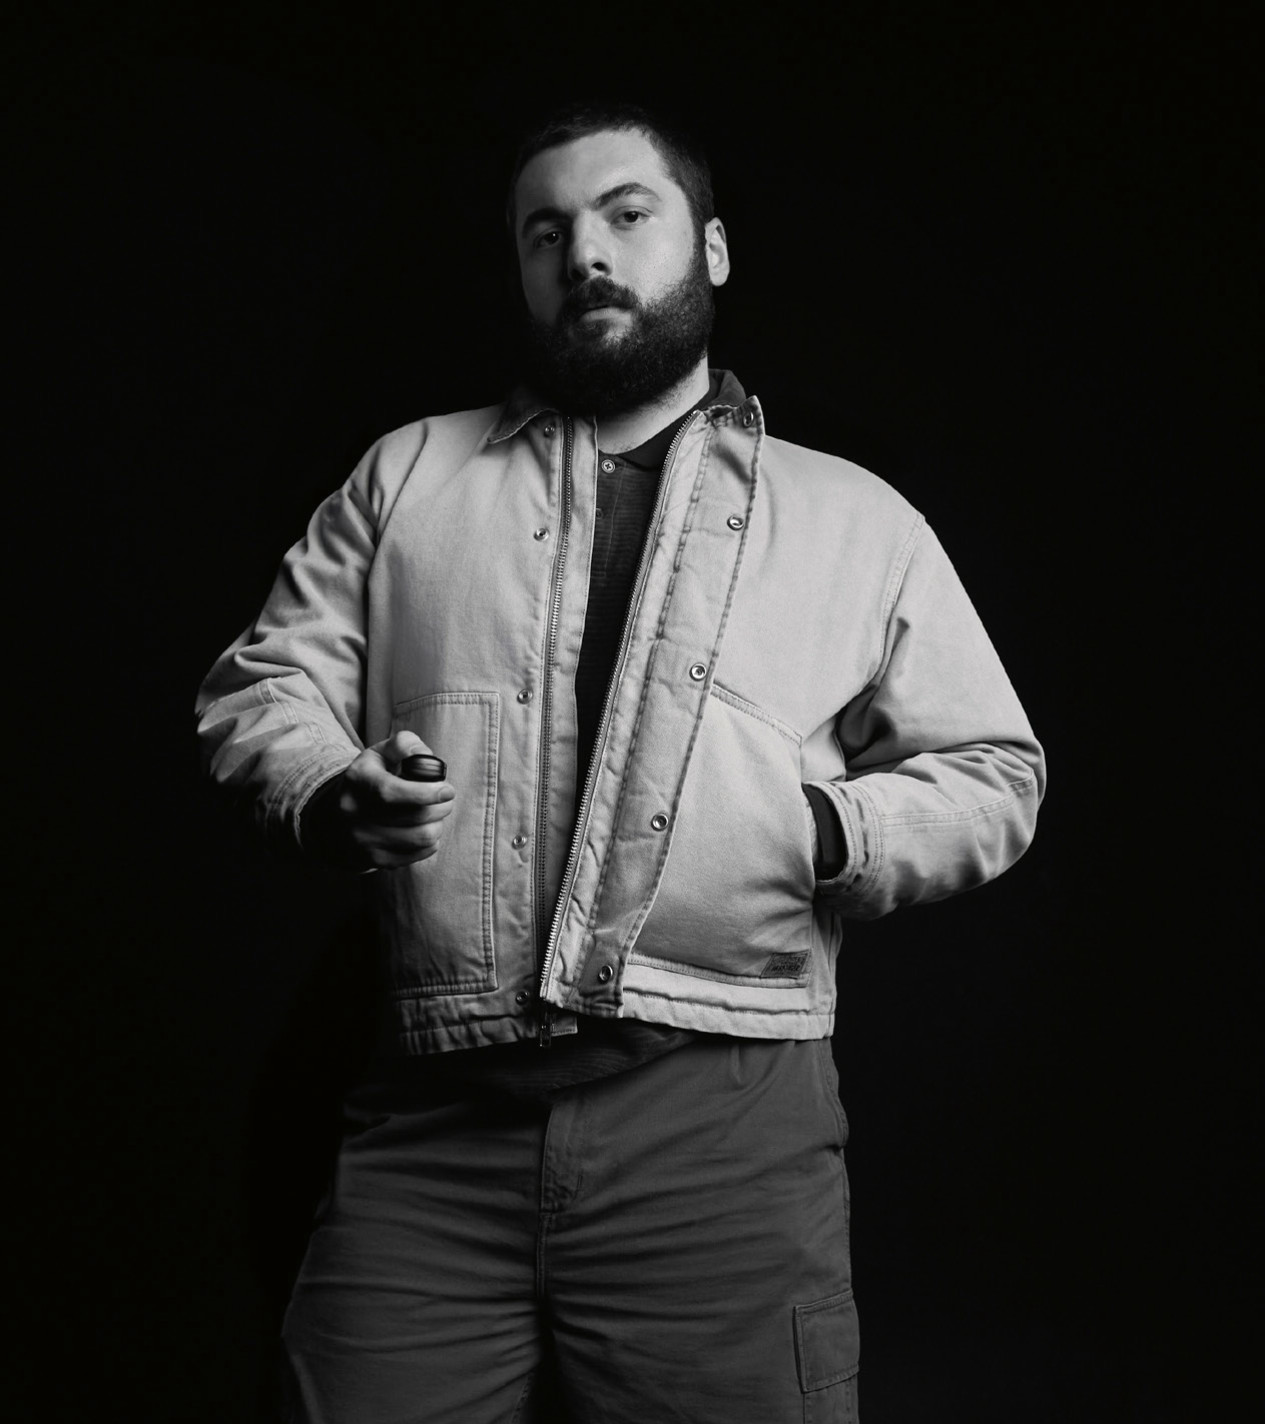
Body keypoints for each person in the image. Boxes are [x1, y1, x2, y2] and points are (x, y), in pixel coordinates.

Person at [196, 100, 1045, 1424]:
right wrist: (323, 786)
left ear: (711, 248)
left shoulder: (856, 518)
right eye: (546, 233)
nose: (583, 253)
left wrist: (823, 831)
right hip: (431, 1120)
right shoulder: (406, 474)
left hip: (725, 1127)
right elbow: (266, 687)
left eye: (625, 215)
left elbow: (994, 771)